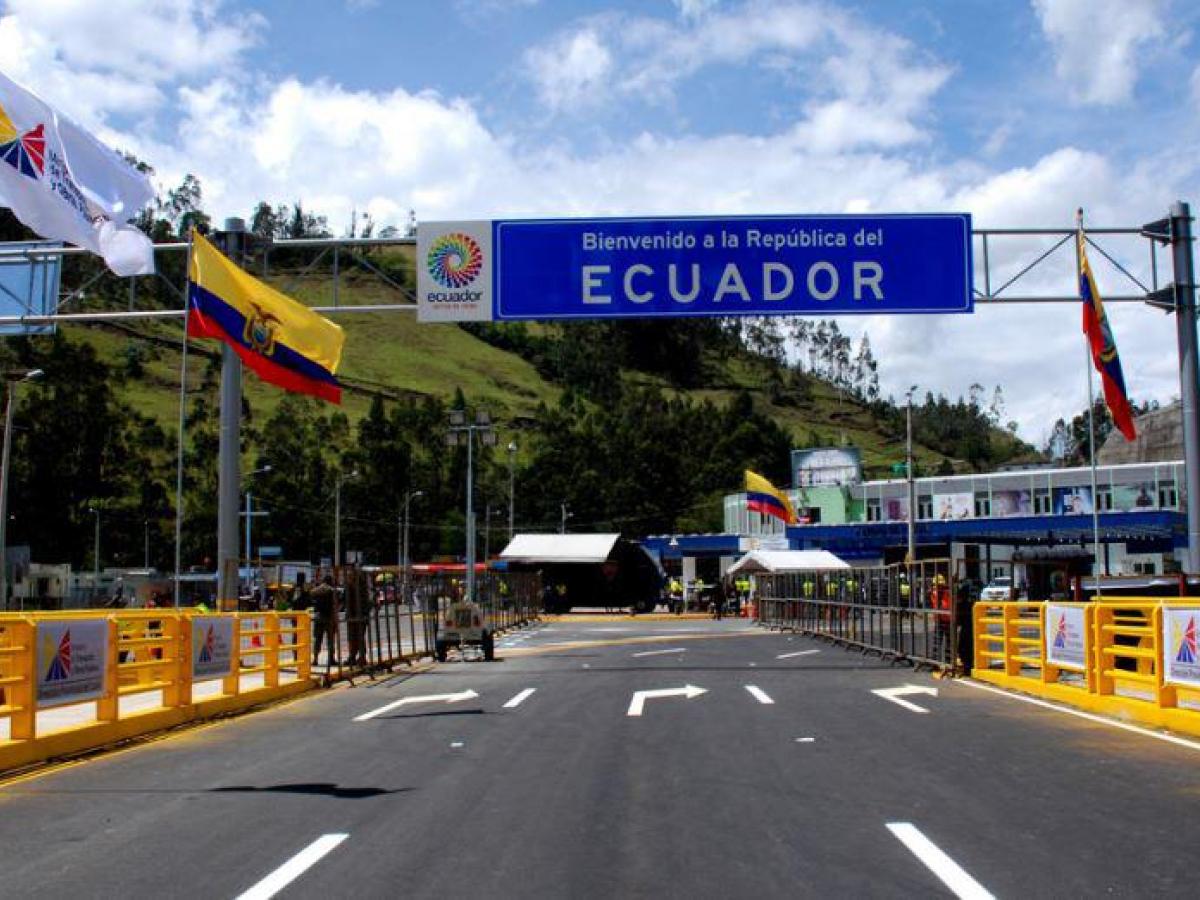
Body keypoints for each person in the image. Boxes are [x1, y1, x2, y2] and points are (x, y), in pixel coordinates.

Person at [311, 575, 338, 666]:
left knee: (317, 639)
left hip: (318, 616)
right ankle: (331, 659)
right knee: (330, 640)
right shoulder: (331, 590)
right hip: (329, 617)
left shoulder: (315, 590)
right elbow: (335, 605)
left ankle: (315, 659)